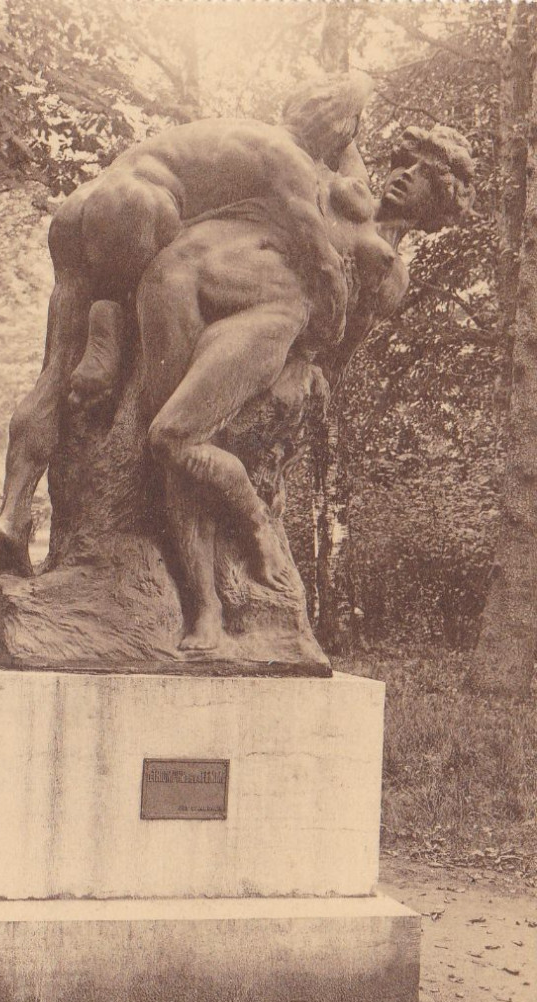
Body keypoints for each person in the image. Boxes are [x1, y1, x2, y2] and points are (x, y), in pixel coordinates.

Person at [0, 72, 374, 578]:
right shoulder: (290, 159)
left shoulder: (241, 132)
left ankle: (11, 515)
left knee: (54, 371)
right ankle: (110, 320)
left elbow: (349, 170)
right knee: (140, 293)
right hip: (140, 207)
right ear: (339, 130)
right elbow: (321, 256)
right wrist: (332, 331)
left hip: (84, 206)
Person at [135, 124, 474, 650]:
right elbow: (332, 114)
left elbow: (337, 349)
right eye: (409, 161)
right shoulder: (350, 183)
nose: (407, 175)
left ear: (438, 204)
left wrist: (304, 384)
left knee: (172, 438)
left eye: (427, 175)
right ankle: (205, 608)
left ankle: (253, 530)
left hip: (272, 321)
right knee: (164, 452)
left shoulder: (391, 270)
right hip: (191, 284)